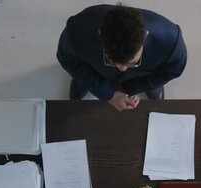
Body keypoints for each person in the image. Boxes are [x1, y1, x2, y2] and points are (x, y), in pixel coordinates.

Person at [57, 4, 188, 111]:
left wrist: (134, 87)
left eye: (132, 62)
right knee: (83, 76)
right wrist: (107, 94)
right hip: (95, 67)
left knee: (153, 83)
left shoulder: (171, 40)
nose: (123, 69)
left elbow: (172, 70)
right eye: (112, 61)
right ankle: (89, 82)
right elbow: (69, 61)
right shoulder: (76, 30)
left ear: (145, 36)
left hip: (145, 73)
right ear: (100, 35)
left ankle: (147, 85)